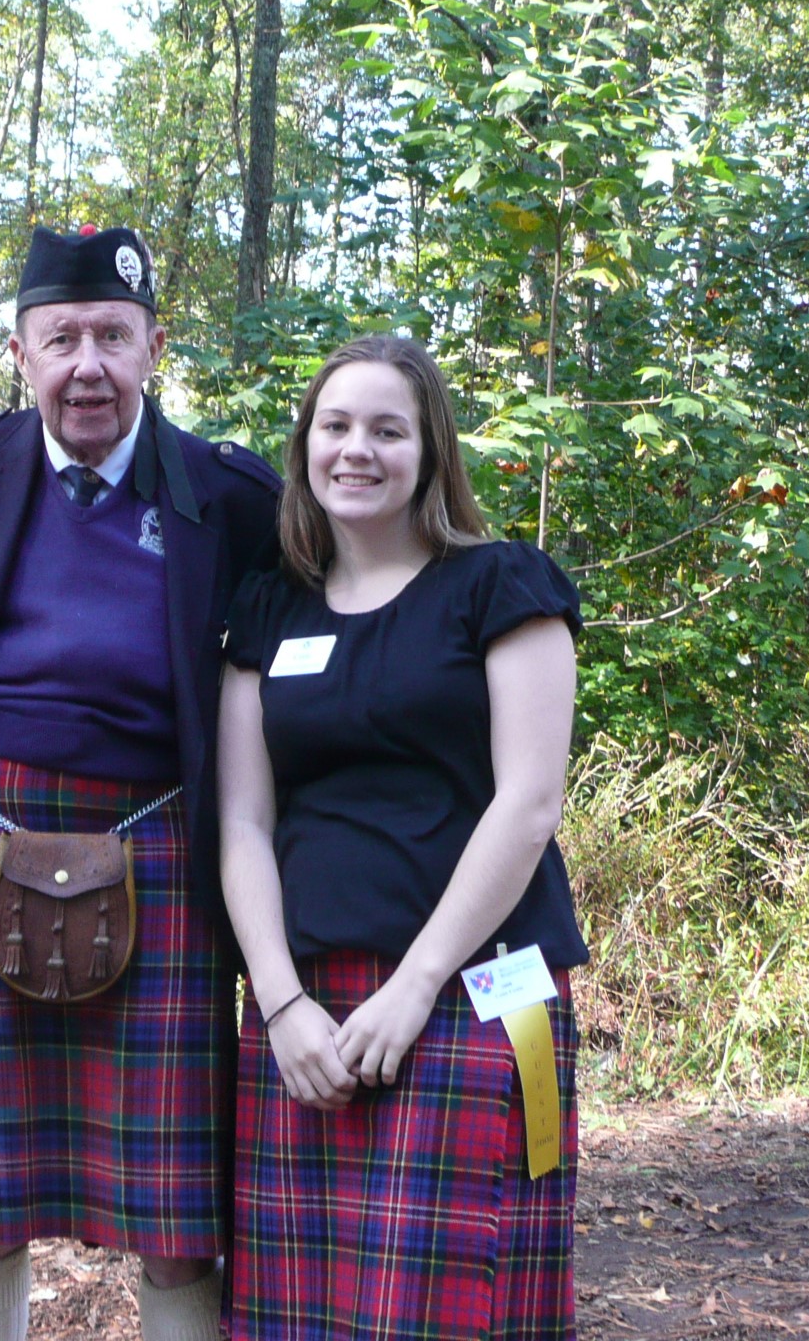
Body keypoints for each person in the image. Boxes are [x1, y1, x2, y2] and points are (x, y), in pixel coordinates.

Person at [0, 223, 281, 1341]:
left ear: (154, 348)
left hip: (166, 851)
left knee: (182, 1211)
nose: (88, 365)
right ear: (21, 352)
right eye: (63, 338)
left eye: (112, 338)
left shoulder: (230, 496)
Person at [216, 334, 587, 1340]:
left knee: (461, 1298)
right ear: (304, 448)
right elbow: (244, 821)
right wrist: (279, 1001)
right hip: (309, 1012)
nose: (357, 450)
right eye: (335, 426)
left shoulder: (503, 587)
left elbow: (528, 806)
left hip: (475, 994)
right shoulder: (268, 610)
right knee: (301, 1314)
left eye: (389, 429)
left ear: (431, 452)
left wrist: (417, 983)